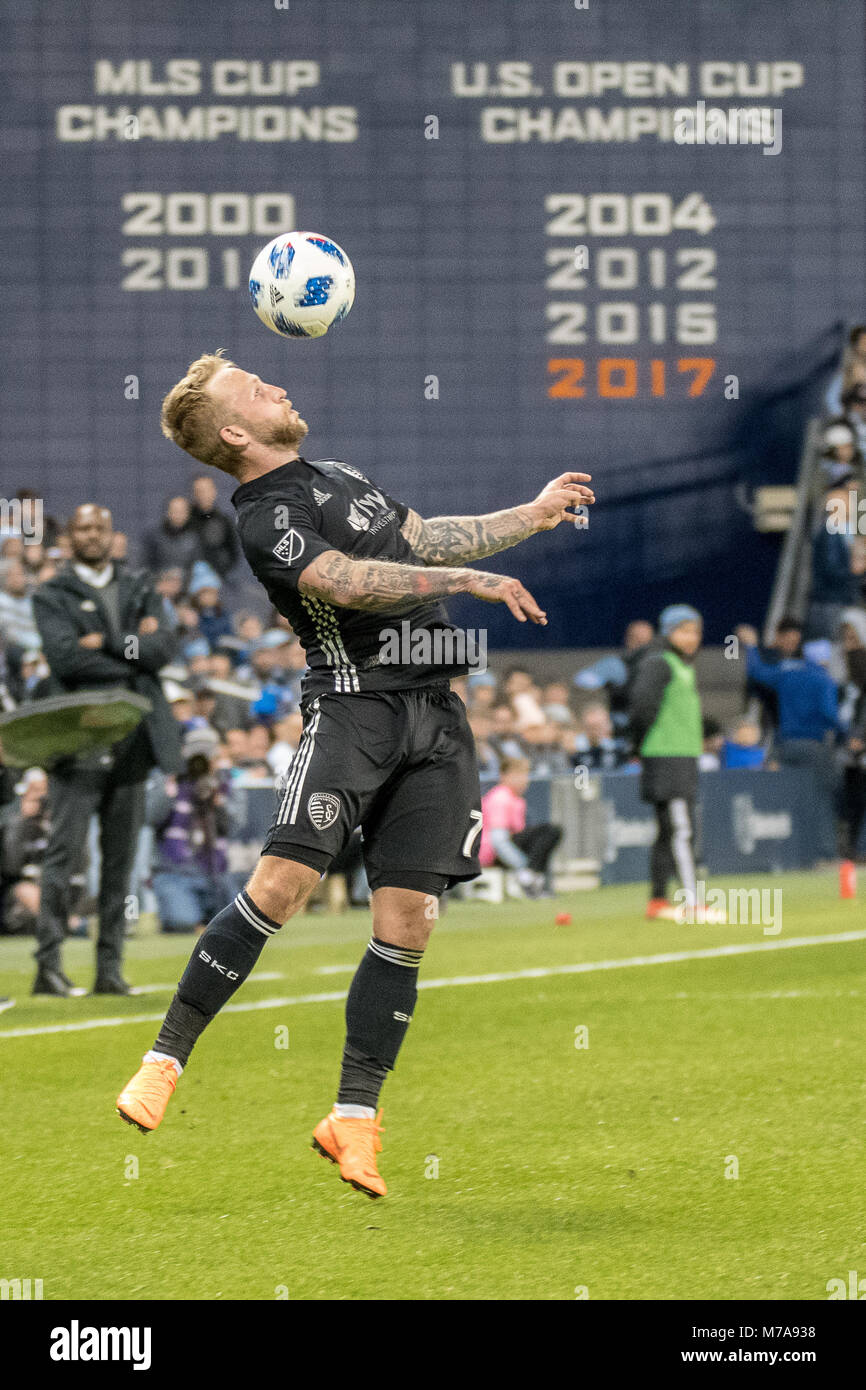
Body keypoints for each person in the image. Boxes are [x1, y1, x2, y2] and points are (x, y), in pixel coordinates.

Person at [116, 348, 594, 1200]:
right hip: (353, 709)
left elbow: (423, 536)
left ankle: (355, 1120)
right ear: (234, 431)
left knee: (411, 920)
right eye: (257, 390)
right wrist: (467, 582)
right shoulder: (264, 516)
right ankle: (164, 1058)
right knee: (281, 886)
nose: (278, 386)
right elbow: (350, 582)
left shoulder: (336, 473)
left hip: (436, 717)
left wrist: (534, 513)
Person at [31, 504, 182, 996]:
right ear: (70, 536)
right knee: (63, 857)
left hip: (134, 739)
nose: (91, 535)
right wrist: (133, 650)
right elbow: (66, 659)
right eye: (82, 528)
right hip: (77, 738)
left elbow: (162, 651)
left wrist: (110, 642)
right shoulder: (51, 592)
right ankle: (48, 967)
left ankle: (109, 970)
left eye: (99, 528)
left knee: (121, 863)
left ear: (112, 535)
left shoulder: (139, 585)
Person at [630, 605, 724, 923]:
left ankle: (657, 901)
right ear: (668, 632)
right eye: (684, 630)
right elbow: (641, 708)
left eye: (695, 631)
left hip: (677, 756)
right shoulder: (661, 663)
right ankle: (693, 900)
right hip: (668, 757)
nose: (691, 638)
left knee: (668, 831)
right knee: (683, 831)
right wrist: (641, 745)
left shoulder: (680, 665)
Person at [736, 622, 842, 861]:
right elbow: (829, 714)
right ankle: (825, 854)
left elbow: (757, 672)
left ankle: (793, 854)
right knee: (821, 800)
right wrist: (847, 733)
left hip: (786, 746)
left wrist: (751, 647)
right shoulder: (824, 680)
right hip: (814, 746)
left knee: (791, 800)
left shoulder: (788, 672)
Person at [148, 727, 243, 933]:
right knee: (183, 922)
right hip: (174, 872)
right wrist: (169, 788)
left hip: (216, 873)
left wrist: (218, 800)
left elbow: (235, 826)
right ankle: (180, 915)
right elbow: (150, 817)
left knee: (238, 922)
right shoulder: (167, 778)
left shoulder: (224, 782)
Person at [477, 755, 561, 896]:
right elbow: (499, 841)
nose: (524, 780)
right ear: (504, 776)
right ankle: (529, 876)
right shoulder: (500, 798)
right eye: (518, 775)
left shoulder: (515, 799)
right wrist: (522, 866)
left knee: (545, 836)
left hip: (506, 850)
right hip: (491, 853)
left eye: (525, 775)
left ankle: (535, 880)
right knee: (550, 831)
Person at [189, 473, 241, 577]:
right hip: (189, 580)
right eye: (199, 491)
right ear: (193, 494)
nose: (203, 495)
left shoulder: (224, 521)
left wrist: (219, 574)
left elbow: (234, 553)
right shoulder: (186, 520)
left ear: (214, 492)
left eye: (206, 490)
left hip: (218, 579)